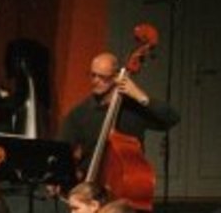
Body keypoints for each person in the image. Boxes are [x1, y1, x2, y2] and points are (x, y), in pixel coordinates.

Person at [59, 51, 182, 182]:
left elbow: (171, 118)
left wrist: (140, 96)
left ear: (116, 77)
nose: (96, 81)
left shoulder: (134, 109)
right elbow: (64, 148)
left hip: (127, 186)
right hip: (91, 184)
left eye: (103, 77)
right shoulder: (81, 112)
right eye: (93, 75)